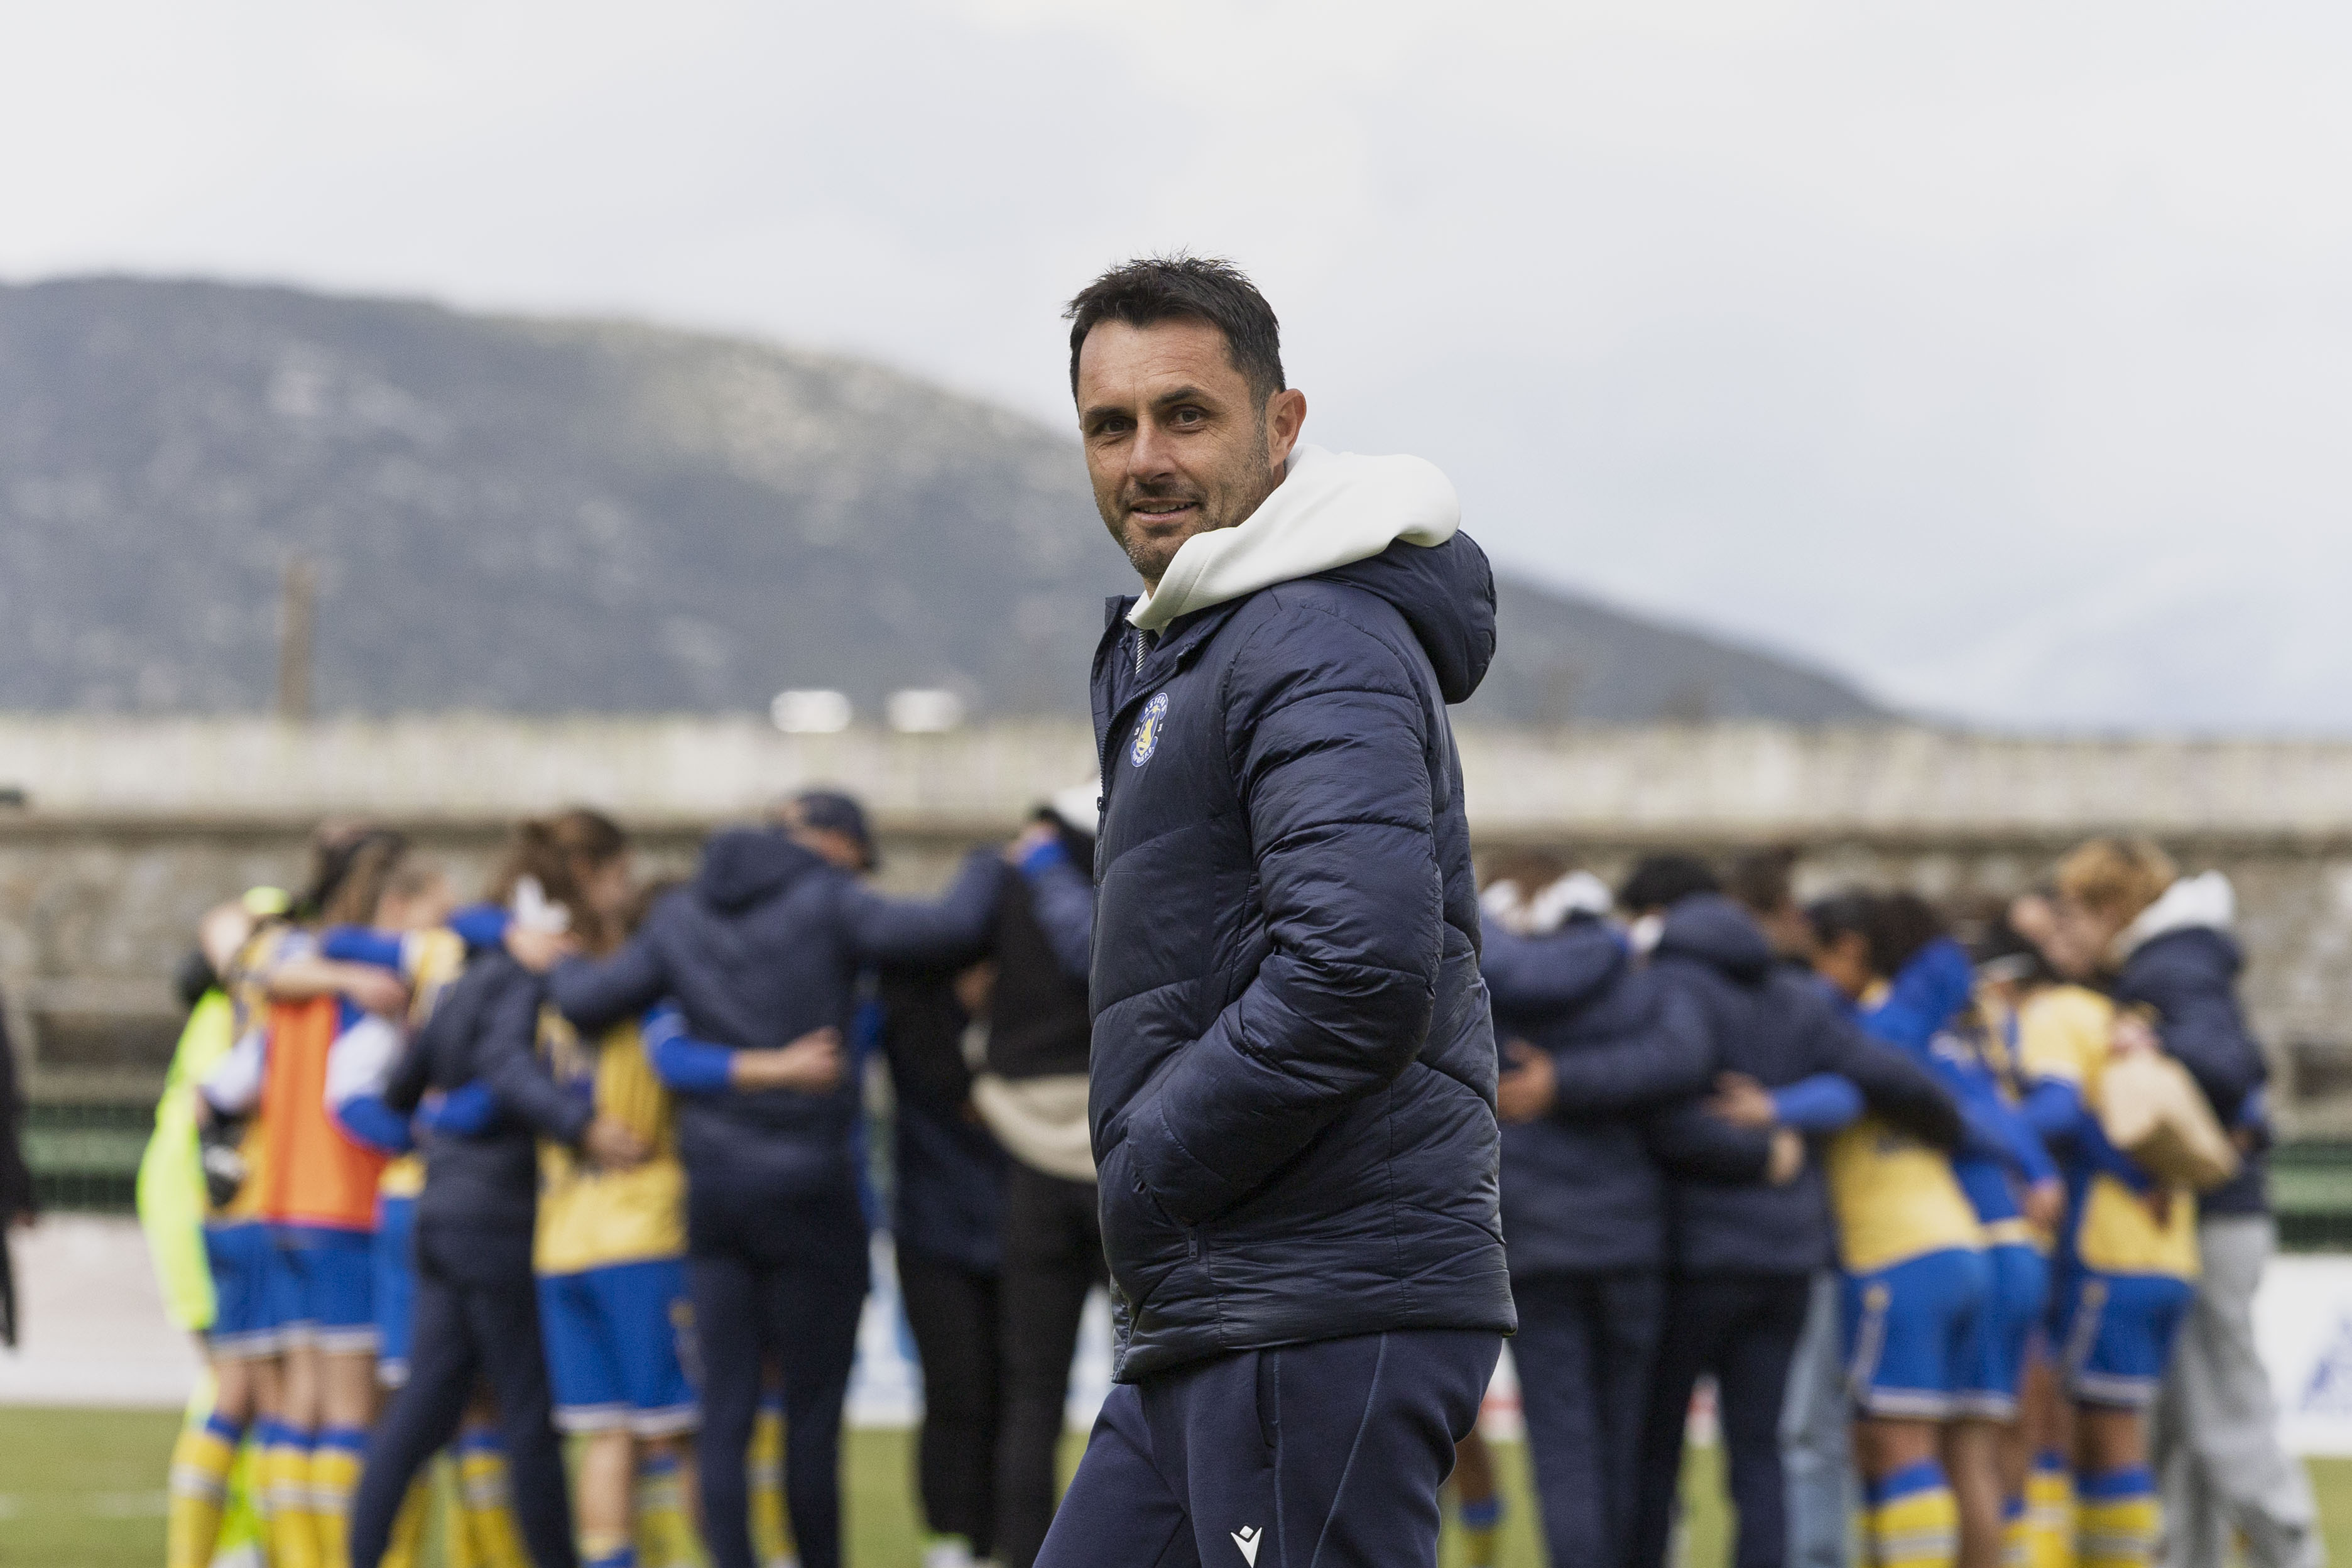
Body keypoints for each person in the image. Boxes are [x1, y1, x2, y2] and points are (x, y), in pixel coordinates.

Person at [1039, 254, 1513, 1568]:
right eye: (1110, 425)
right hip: (1221, 1301)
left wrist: (1149, 1165)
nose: (1146, 458)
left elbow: (1356, 967)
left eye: (1186, 415)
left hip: (1317, 1299)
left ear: (1281, 423)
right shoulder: (1196, 639)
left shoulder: (1311, 634)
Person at [549, 793, 1006, 1568]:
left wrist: (548, 956)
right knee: (811, 1418)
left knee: (723, 1415)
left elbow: (587, 1001)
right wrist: (995, 859)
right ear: (827, 846)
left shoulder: (680, 914)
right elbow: (949, 930)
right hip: (812, 1189)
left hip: (715, 1195)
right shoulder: (829, 900)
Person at [1623, 858, 1961, 1568]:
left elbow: (1659, 1112)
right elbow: (1891, 1076)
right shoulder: (1798, 999)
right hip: (1786, 1260)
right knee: (1763, 1451)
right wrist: (1952, 1128)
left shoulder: (1669, 990)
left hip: (1692, 1259)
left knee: (1658, 1448)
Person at [346, 826, 650, 1568]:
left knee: (425, 1408)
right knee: (527, 1415)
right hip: (501, 1215)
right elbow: (507, 1068)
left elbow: (399, 1089)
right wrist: (572, 1123)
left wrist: (439, 1127)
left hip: (442, 1208)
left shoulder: (462, 980)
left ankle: (361, 1555)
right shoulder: (529, 978)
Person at [1480, 851, 1788, 1568]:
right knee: (1625, 1446)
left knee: (1561, 1447)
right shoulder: (1632, 977)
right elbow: (1681, 1059)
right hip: (1630, 1241)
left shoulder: (1483, 985)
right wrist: (1578, 1081)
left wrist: (1553, 1084)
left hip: (1534, 1242)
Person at [2050, 841, 2314, 1568]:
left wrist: (2154, 1040)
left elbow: (2233, 1064)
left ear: (2112, 907)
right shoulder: (2186, 958)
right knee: (2186, 1433)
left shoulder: (2168, 966)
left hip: (2213, 1216)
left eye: (2077, 911)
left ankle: (2294, 1555)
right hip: (2213, 1218)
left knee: (2226, 1417)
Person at [969, 785, 1101, 1568]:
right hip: (1125, 1155)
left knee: (1031, 1395)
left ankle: (1023, 1556)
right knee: (1162, 1380)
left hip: (1027, 1155)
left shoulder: (1011, 883)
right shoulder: (1146, 872)